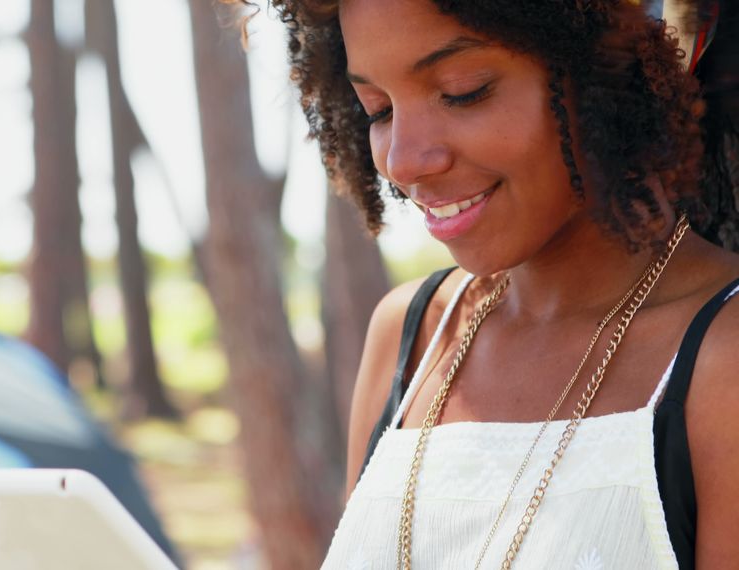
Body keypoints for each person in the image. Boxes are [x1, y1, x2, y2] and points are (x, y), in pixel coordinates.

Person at [251, 0, 739, 567]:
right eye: (378, 109)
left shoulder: (720, 363)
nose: (405, 161)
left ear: (602, 72)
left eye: (463, 91)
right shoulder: (411, 337)